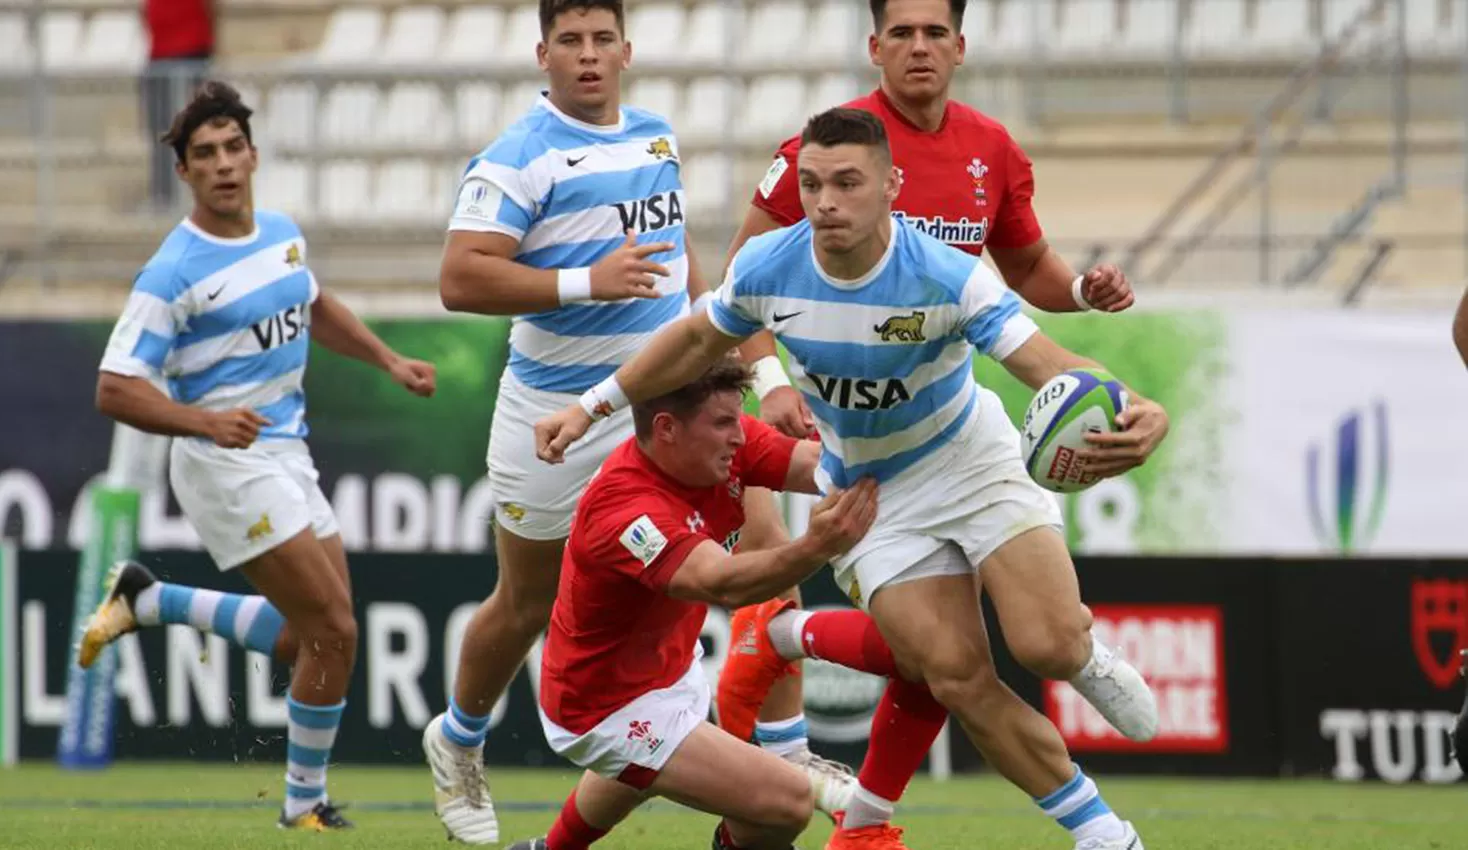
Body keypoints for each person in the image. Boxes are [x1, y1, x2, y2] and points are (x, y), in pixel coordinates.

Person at [537, 108, 1161, 850]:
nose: (825, 201)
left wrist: (1135, 406)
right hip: (874, 494)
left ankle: (1082, 656)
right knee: (954, 674)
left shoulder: (949, 275)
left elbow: (1048, 364)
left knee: (1047, 647)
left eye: (846, 182)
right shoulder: (771, 266)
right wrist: (592, 405)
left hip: (969, 459)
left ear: (892, 186)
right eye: (810, 185)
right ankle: (1102, 834)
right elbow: (695, 340)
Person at [425, 0, 854, 842]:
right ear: (542, 52)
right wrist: (588, 281)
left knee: (768, 550)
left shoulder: (655, 134)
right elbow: (459, 279)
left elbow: (683, 264)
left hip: (667, 410)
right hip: (559, 415)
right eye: (570, 43)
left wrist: (751, 365)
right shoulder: (517, 157)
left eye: (601, 40)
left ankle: (786, 748)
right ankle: (459, 739)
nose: (588, 57)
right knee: (527, 602)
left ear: (627, 48)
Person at [716, 0, 1141, 749]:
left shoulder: (993, 149)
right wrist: (770, 381)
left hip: (953, 422)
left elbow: (1027, 265)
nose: (919, 48)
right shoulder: (826, 149)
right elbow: (742, 275)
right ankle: (865, 811)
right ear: (874, 47)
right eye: (902, 34)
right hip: (864, 445)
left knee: (1007, 644)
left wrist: (1079, 292)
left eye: (934, 33)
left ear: (960, 46)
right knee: (939, 656)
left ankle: (1075, 650)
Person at [77, 82, 437, 831]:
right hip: (221, 463)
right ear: (185, 172)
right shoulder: (172, 272)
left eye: (232, 148)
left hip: (284, 452)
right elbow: (113, 389)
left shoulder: (279, 231)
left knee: (308, 634)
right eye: (203, 154)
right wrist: (202, 423)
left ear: (253, 155)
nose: (222, 165)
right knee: (335, 628)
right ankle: (302, 807)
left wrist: (387, 360)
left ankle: (148, 600)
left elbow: (310, 303)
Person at [508, 359, 876, 850]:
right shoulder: (626, 508)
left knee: (643, 766)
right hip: (603, 707)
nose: (739, 437)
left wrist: (885, 465)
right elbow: (721, 584)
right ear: (666, 429)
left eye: (736, 419)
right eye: (723, 423)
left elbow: (818, 467)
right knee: (786, 805)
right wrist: (817, 545)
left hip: (669, 667)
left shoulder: (719, 447)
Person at [141, 0, 217, 211]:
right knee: (162, 133)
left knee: (194, 132)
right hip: (159, 54)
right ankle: (164, 196)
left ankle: (200, 194)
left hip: (190, 52)